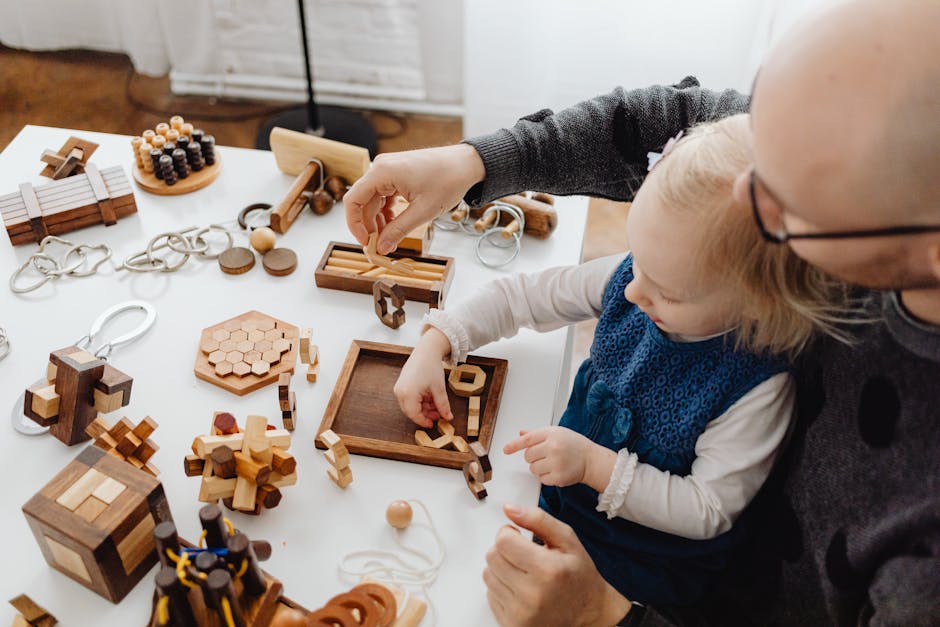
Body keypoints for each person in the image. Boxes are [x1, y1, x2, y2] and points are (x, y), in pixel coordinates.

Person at [345, 0, 940, 623]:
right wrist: (476, 163)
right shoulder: (795, 187)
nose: (743, 197)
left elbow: (707, 510)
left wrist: (602, 616)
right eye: (759, 133)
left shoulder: (917, 564)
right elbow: (652, 133)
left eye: (784, 206)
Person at [393, 113, 856, 607]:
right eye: (637, 262)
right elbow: (521, 298)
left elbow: (708, 509)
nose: (633, 291)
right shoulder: (639, 276)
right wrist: (438, 340)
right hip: (562, 490)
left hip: (646, 563)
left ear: (757, 301)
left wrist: (594, 464)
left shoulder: (760, 385)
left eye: (665, 291)